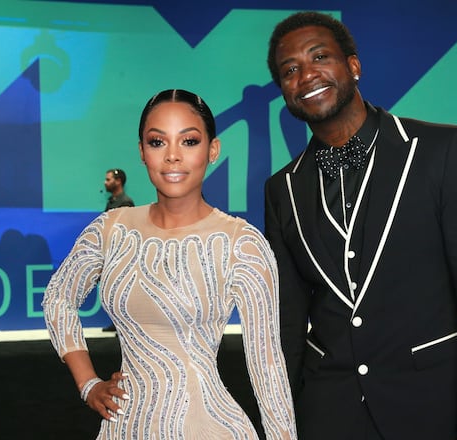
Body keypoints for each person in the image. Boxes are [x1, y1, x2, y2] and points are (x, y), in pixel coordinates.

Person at [263, 12, 457, 440]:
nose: (306, 75)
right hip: (326, 408)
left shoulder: (441, 151)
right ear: (284, 91)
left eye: (319, 57)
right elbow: (287, 323)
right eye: (290, 70)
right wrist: (278, 421)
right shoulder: (281, 188)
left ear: (353, 66)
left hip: (429, 404)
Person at [43, 89, 297, 439]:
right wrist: (88, 384)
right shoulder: (111, 230)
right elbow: (58, 298)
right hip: (123, 427)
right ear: (142, 152)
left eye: (189, 141)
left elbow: (268, 366)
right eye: (157, 142)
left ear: (213, 150)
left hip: (206, 427)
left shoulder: (241, 243)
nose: (173, 156)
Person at [101, 168, 135, 332]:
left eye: (108, 180)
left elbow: (127, 230)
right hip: (113, 253)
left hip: (123, 254)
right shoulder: (112, 202)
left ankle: (126, 326)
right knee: (114, 290)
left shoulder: (125, 203)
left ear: (118, 181)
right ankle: (118, 323)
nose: (105, 183)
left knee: (124, 290)